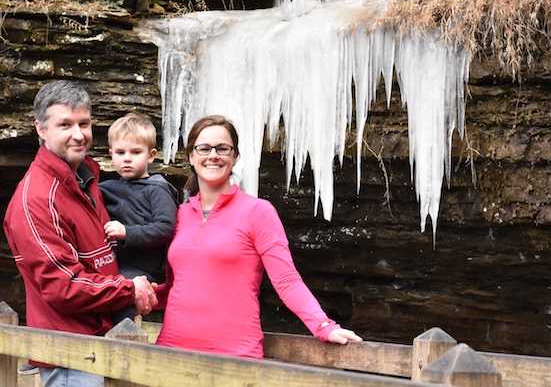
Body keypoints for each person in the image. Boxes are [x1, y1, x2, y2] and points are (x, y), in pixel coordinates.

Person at [154, 115, 362, 359]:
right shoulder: (178, 215)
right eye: (204, 148)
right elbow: (175, 287)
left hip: (234, 357)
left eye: (223, 148)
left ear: (235, 156)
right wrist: (133, 294)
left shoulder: (257, 212)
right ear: (191, 156)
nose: (213, 155)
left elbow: (286, 280)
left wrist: (323, 325)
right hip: (169, 353)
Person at [3, 80, 158, 386]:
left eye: (84, 123)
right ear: (41, 129)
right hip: (71, 354)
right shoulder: (36, 199)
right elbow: (64, 285)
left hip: (104, 338)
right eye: (65, 124)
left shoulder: (84, 179)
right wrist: (129, 290)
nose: (78, 134)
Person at [99, 112, 179, 325]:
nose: (127, 158)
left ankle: (123, 346)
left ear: (151, 155)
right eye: (120, 152)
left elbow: (166, 228)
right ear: (111, 154)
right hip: (113, 262)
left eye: (135, 152)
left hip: (142, 267)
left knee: (121, 300)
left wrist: (127, 232)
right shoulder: (106, 189)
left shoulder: (158, 189)